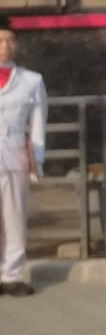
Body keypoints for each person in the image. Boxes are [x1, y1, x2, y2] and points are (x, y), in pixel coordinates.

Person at [0, 17, 46, 297]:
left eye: (9, 41)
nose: (5, 46)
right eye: (0, 41)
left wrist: (36, 159)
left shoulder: (31, 80)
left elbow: (38, 124)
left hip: (15, 151)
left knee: (15, 216)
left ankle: (12, 274)